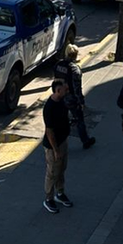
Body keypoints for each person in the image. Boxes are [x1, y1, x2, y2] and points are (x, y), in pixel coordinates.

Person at [53, 44, 95, 149]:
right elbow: (77, 88)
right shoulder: (74, 69)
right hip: (71, 99)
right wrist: (81, 101)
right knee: (79, 120)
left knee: (60, 120)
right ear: (75, 55)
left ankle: (57, 141)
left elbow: (55, 81)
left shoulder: (58, 65)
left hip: (59, 96)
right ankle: (85, 141)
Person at [42, 78, 73, 213]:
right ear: (58, 90)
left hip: (62, 141)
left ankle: (60, 193)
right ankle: (48, 198)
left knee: (61, 169)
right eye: (65, 89)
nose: (68, 90)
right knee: (52, 172)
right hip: (53, 146)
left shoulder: (61, 101)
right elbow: (49, 131)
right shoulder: (49, 107)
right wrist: (55, 150)